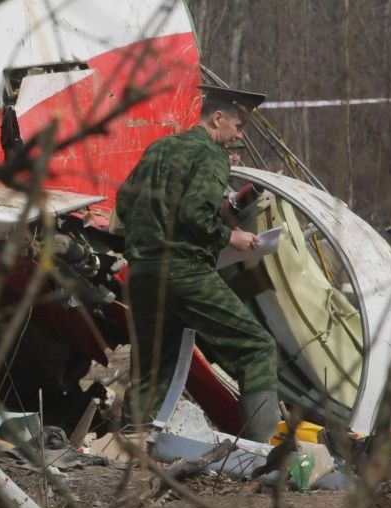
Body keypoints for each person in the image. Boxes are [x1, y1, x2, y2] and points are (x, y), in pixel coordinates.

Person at [117, 84, 279, 442]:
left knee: (152, 366)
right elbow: (194, 212)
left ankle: (130, 447)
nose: (238, 136)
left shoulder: (159, 148)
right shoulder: (211, 154)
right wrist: (230, 236)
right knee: (257, 348)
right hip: (184, 271)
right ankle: (264, 452)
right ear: (217, 118)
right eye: (238, 126)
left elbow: (124, 204)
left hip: (142, 274)